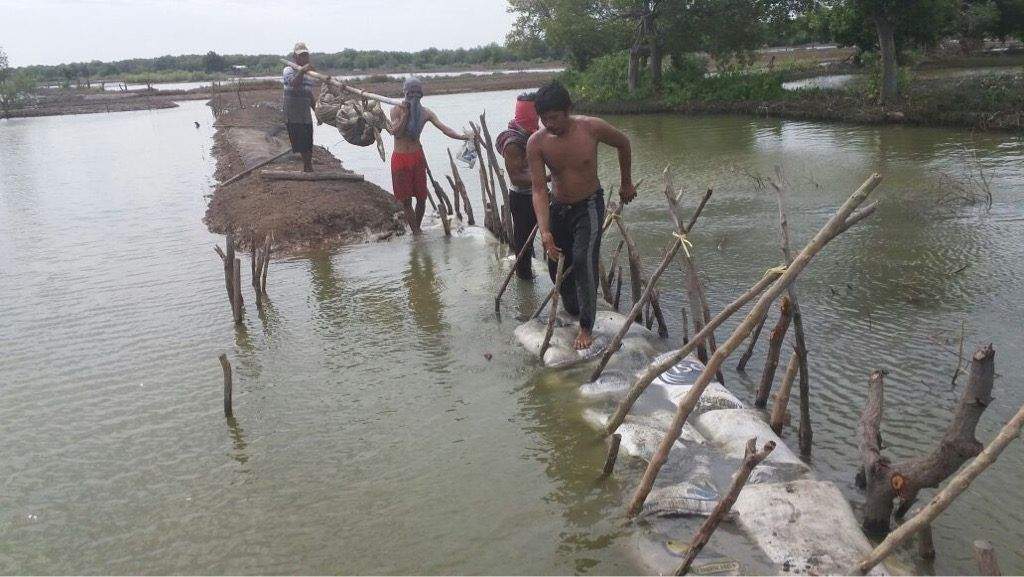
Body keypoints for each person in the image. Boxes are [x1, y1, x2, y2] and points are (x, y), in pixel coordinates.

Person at [526, 81, 637, 350]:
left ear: (568, 110)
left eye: (554, 117)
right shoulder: (536, 143)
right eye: (544, 119)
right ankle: (574, 306)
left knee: (584, 260)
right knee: (556, 266)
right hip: (558, 208)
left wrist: (626, 183)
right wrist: (545, 231)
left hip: (588, 205)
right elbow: (540, 189)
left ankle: (586, 326)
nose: (549, 124)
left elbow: (623, 143)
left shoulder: (591, 127)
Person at [388, 77, 472, 234]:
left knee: (421, 198)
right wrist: (405, 115)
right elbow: (395, 132)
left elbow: (444, 128)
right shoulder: (396, 110)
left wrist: (463, 137)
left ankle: (416, 230)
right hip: (400, 158)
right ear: (404, 92)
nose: (413, 96)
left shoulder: (426, 113)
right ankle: (416, 232)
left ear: (421, 94)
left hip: (417, 157)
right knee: (406, 200)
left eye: (416, 92)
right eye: (410, 92)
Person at [496, 92, 540, 280]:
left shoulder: (533, 134)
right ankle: (525, 278)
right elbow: (516, 178)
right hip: (522, 197)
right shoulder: (513, 143)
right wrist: (545, 178)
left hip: (538, 192)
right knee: (523, 242)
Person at [282, 42, 318, 172]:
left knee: (308, 139)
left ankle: (308, 167)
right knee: (301, 140)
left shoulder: (310, 74)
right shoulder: (288, 70)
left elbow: (309, 94)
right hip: (292, 112)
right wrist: (302, 71)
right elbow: (294, 84)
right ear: (295, 57)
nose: (304, 58)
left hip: (305, 113)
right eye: (301, 55)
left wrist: (317, 112)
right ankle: (307, 167)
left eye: (306, 55)